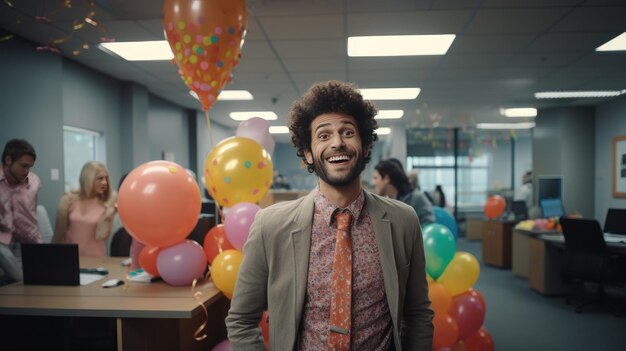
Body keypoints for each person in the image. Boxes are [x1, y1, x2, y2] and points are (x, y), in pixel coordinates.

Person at [226, 81, 434, 350]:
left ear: (366, 146)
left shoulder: (403, 221)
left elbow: (417, 314)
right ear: (308, 154)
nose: (337, 143)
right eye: (323, 136)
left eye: (348, 132)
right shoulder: (271, 226)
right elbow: (241, 320)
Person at [52, 161, 117, 257]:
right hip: (69, 257)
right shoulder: (69, 200)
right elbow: (58, 234)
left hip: (95, 259)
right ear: (88, 179)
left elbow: (101, 236)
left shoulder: (106, 204)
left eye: (106, 178)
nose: (105, 182)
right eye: (100, 178)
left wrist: (108, 215)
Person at [0, 139, 41, 284]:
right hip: (2, 240)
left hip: (28, 239)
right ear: (8, 160)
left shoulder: (34, 182)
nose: (26, 172)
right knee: (22, 279)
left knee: (47, 276)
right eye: (23, 166)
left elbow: (32, 214)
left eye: (30, 167)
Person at [372, 159, 435, 226]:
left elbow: (428, 225)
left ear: (387, 179)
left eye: (375, 178)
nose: (373, 183)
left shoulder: (417, 198)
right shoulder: (386, 202)